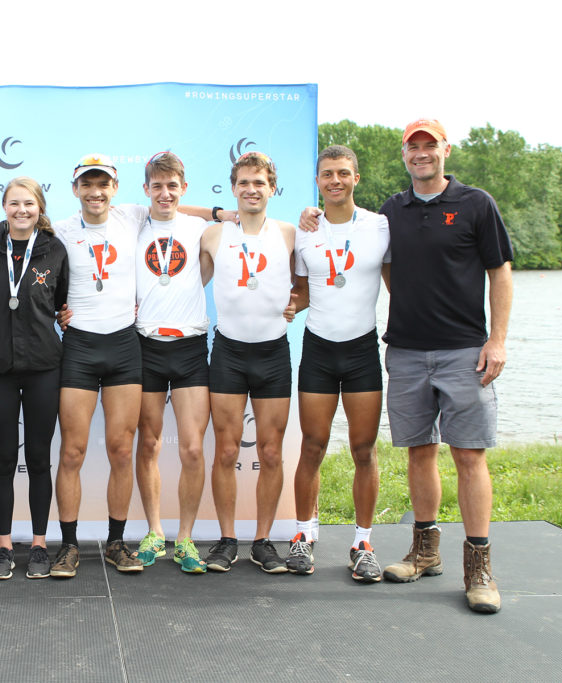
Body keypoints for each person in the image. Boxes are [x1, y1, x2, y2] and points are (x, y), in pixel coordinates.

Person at [300, 119, 513, 613]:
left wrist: (497, 340)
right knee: (419, 452)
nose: (421, 154)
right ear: (403, 155)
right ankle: (424, 551)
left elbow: (500, 272)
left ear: (445, 151)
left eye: (429, 146)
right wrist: (313, 214)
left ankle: (478, 567)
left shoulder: (476, 204)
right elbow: (357, 240)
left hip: (466, 350)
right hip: (405, 350)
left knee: (469, 456)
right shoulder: (390, 212)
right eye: (413, 147)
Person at [287, 146, 390, 582]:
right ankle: (303, 536)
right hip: (319, 350)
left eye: (343, 173)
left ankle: (362, 543)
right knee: (312, 445)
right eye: (327, 174)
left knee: (363, 450)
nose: (335, 180)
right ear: (317, 180)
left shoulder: (381, 226)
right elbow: (301, 292)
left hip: (363, 349)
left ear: (356, 178)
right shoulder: (304, 231)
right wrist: (289, 305)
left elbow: (399, 284)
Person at [50, 153, 148, 578]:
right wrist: (56, 311)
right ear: (75, 189)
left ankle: (115, 542)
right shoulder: (58, 230)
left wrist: (224, 213)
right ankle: (69, 546)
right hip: (79, 347)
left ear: (115, 187)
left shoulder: (133, 216)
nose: (96, 191)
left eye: (103, 183)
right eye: (87, 184)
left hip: (125, 344)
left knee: (121, 449)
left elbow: (183, 212)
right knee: (72, 450)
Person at [200, 151, 296, 574]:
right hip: (229, 352)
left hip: (273, 352)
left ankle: (262, 540)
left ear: (272, 188)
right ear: (233, 188)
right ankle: (226, 539)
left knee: (271, 453)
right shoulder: (215, 235)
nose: (252, 190)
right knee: (225, 450)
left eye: (259, 182)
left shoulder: (292, 233)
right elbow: (168, 209)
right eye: (243, 183)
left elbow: (311, 285)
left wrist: (299, 304)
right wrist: (221, 212)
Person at [0, 177, 69, 580]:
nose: (21, 211)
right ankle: (3, 546)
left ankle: (38, 545)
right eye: (13, 203)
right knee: (3, 459)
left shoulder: (55, 250)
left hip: (43, 367)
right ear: (4, 206)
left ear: (40, 207)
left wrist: (66, 314)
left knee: (38, 459)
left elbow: (62, 301)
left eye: (28, 204)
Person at [132, 152, 214, 574]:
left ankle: (185, 538)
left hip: (190, 347)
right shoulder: (131, 222)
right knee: (147, 443)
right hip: (144, 345)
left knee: (193, 448)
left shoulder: (201, 227)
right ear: (146, 189)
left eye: (173, 186)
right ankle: (154, 531)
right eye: (157, 186)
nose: (165, 194)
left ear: (184, 188)